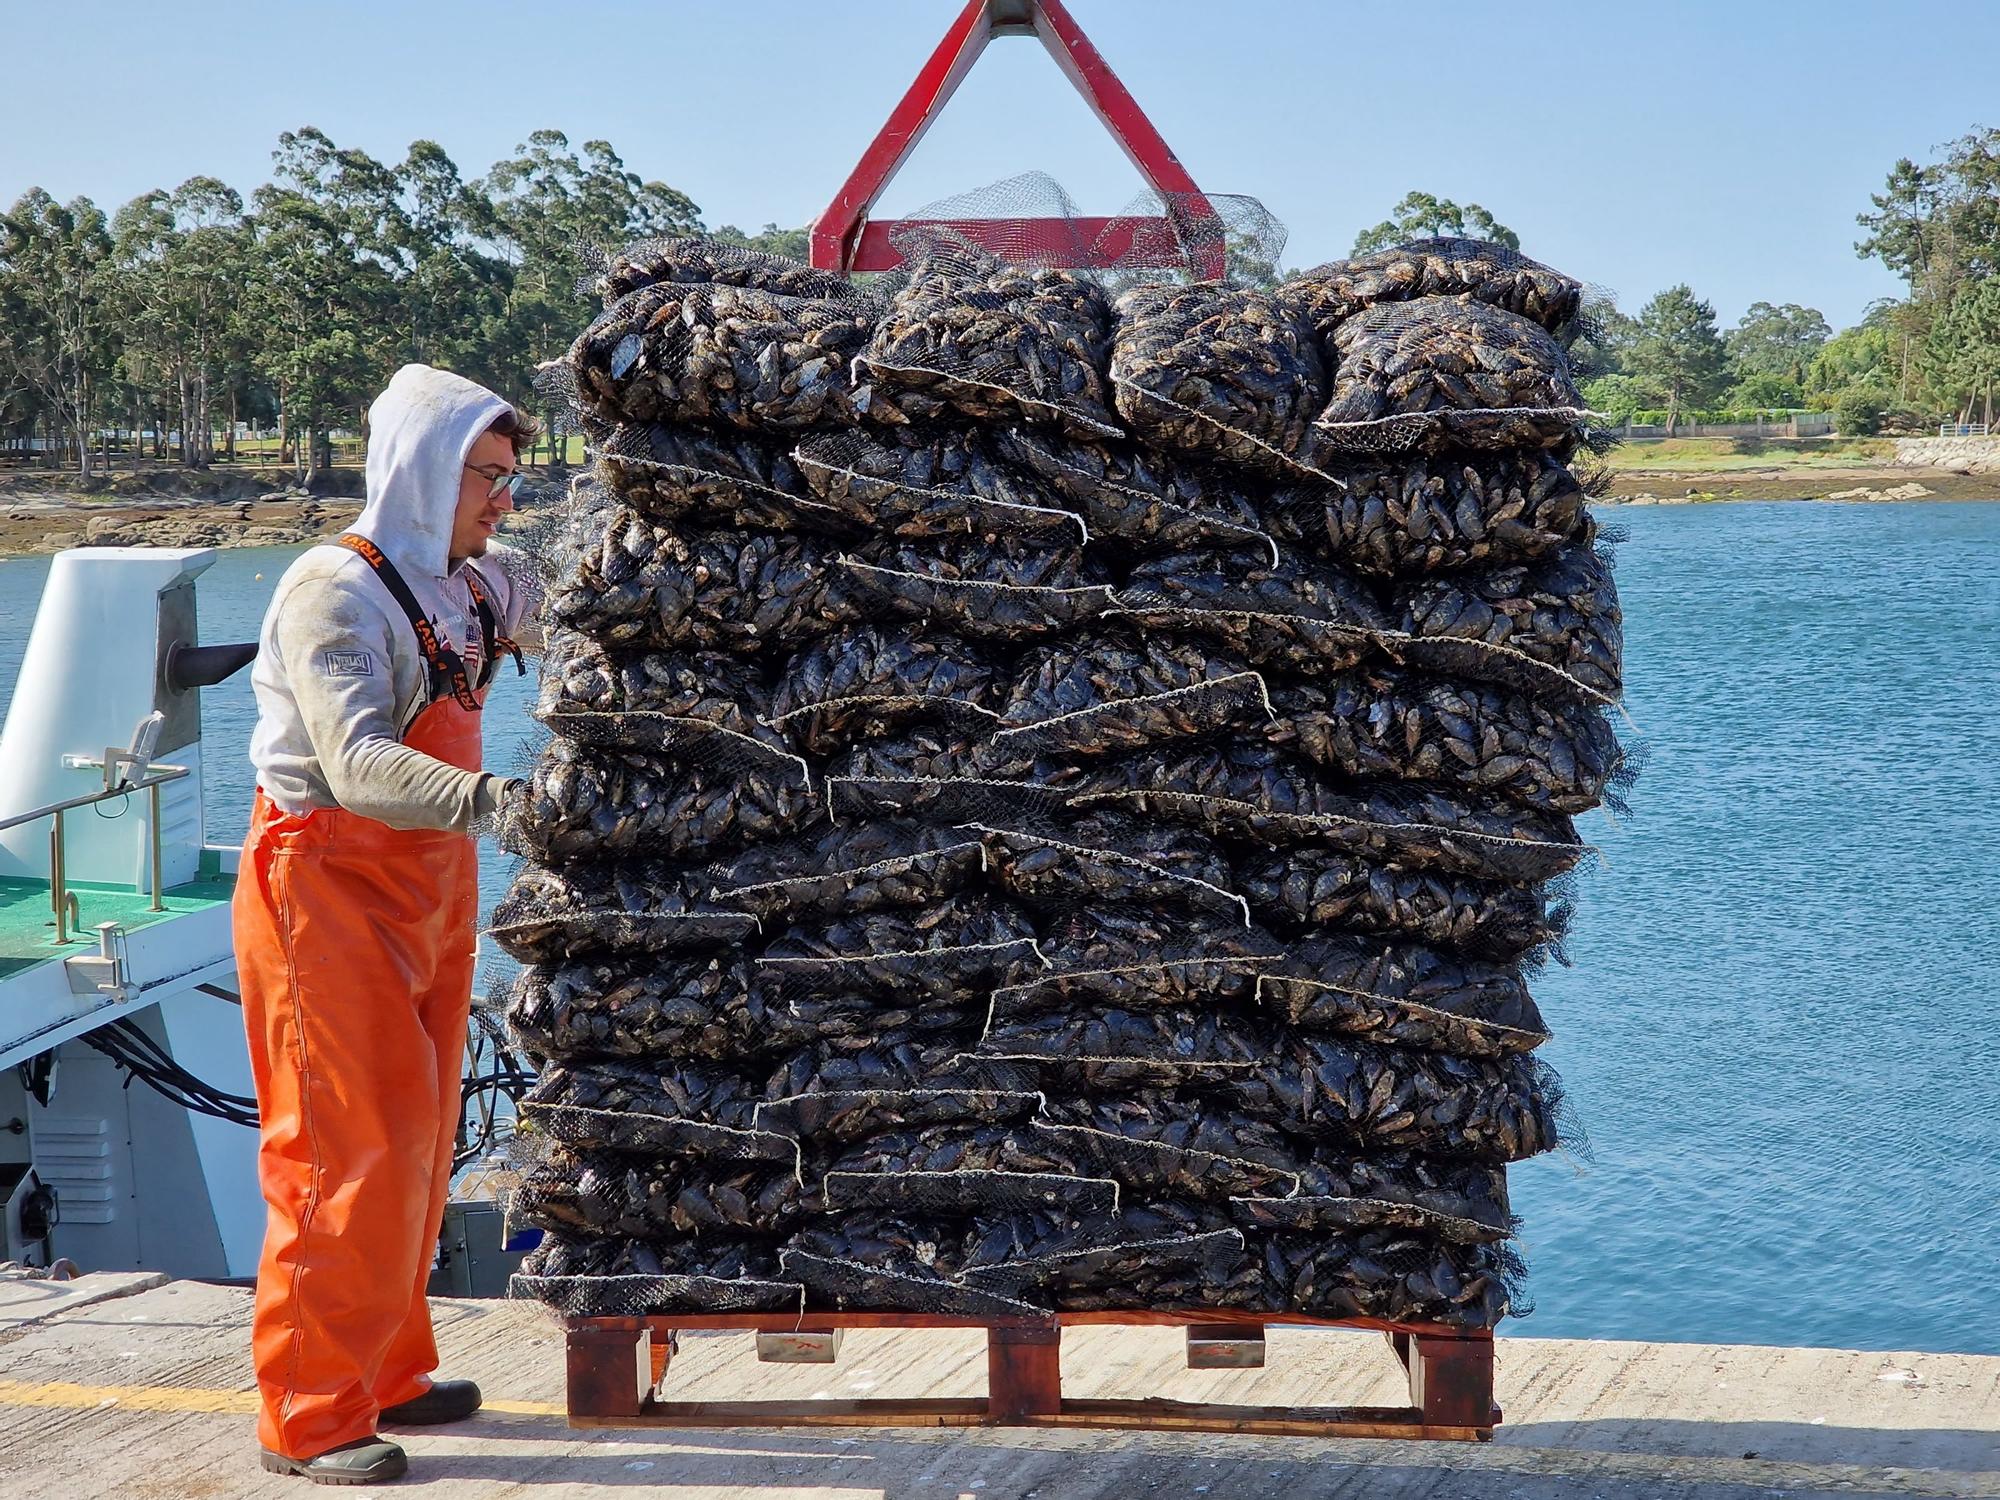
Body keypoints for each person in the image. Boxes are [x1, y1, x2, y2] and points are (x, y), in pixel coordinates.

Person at [233, 363, 541, 1484]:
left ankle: (392, 1369)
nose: (504, 500)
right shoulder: (335, 592)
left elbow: (572, 608)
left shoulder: (473, 583)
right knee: (338, 1151)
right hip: (324, 883)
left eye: (512, 478)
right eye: (489, 478)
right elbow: (357, 763)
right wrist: (506, 804)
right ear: (423, 469)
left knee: (421, 1134)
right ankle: (309, 1417)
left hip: (432, 882)